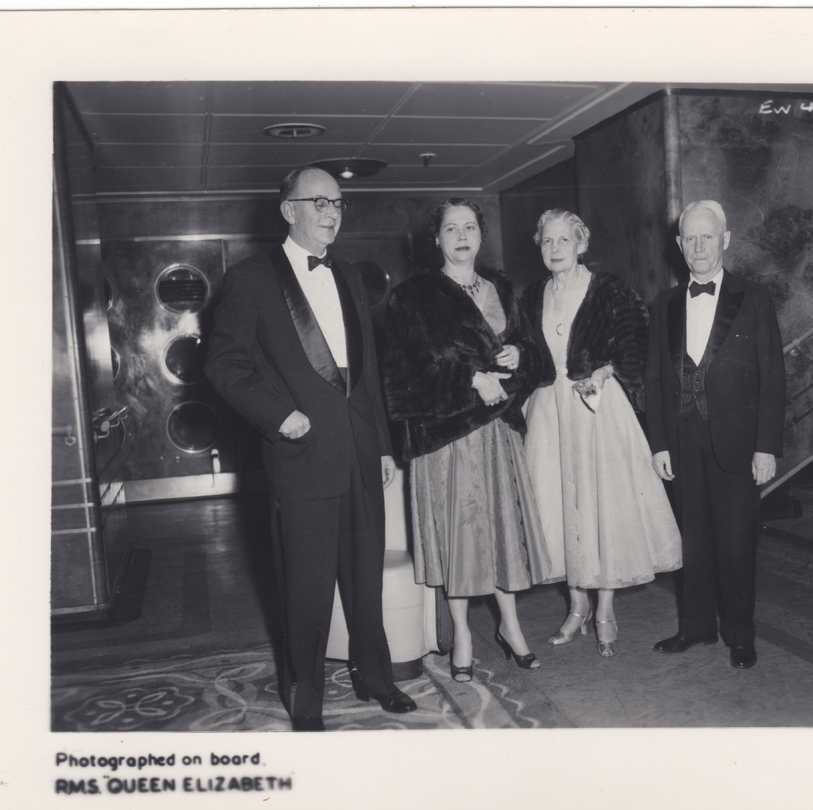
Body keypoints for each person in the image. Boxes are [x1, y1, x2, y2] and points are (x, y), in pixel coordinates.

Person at [204, 166, 416, 731]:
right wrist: (278, 416)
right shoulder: (249, 279)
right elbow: (224, 366)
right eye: (318, 201)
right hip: (299, 460)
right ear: (288, 210)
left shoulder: (348, 275)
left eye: (339, 203)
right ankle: (305, 697)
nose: (331, 211)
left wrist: (384, 446)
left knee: (364, 577)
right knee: (306, 588)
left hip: (361, 451)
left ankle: (375, 676)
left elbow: (367, 375)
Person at [382, 199, 556, 683]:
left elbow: (535, 353)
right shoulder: (412, 296)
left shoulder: (500, 285)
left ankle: (511, 628)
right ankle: (461, 634)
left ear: (481, 235)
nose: (462, 236)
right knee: (459, 541)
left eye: (470, 227)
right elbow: (405, 373)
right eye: (451, 228)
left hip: (498, 432)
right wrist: (469, 379)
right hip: (447, 437)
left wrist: (522, 355)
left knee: (501, 534)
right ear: (435, 239)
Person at [522, 209, 682, 657]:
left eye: (563, 241)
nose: (555, 249)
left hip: (596, 407)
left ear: (581, 244)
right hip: (549, 410)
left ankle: (605, 610)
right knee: (560, 506)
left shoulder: (607, 288)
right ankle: (576, 609)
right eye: (547, 241)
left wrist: (605, 371)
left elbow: (637, 346)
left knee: (600, 507)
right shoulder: (534, 293)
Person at [646, 200, 786, 669]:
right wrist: (659, 443)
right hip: (681, 444)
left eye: (708, 237)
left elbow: (773, 376)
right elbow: (654, 381)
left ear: (725, 241)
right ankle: (696, 627)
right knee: (694, 542)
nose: (699, 246)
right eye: (690, 238)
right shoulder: (663, 304)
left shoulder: (755, 298)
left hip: (738, 444)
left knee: (736, 542)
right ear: (679, 244)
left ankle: (739, 634)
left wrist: (767, 446)